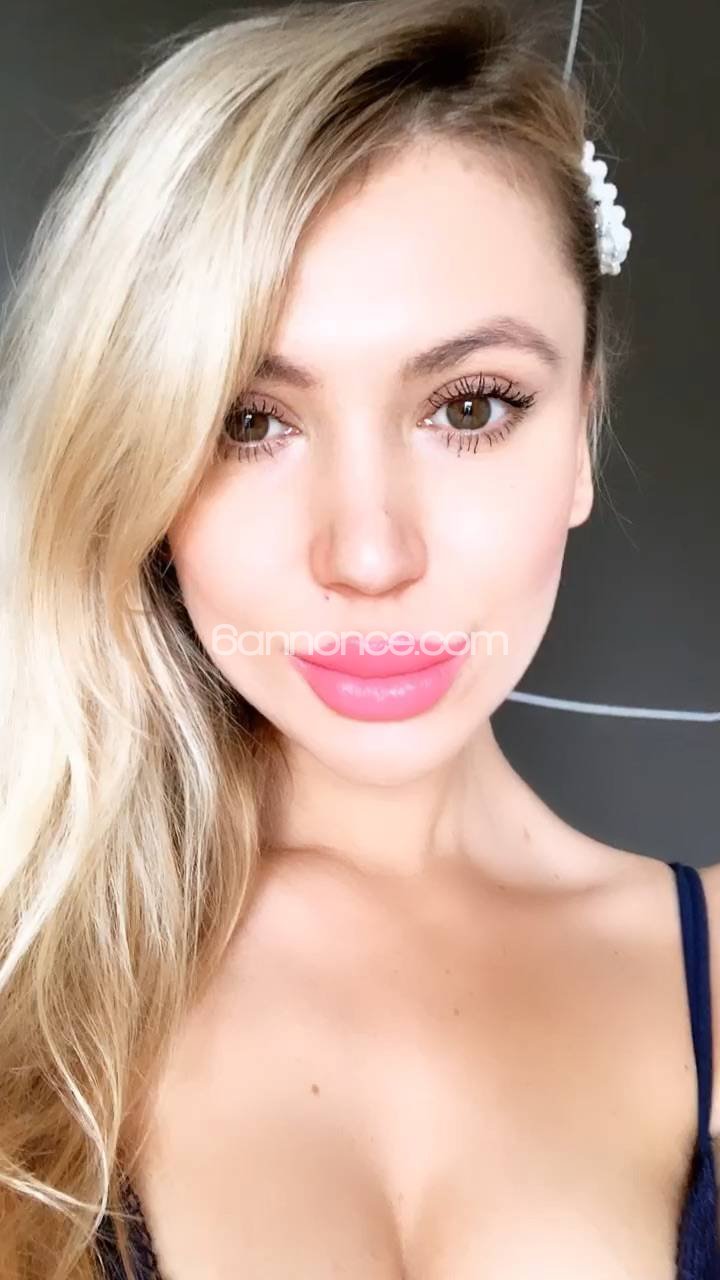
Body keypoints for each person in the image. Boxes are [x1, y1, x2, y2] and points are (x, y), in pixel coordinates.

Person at [0, 1, 717, 1277]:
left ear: (581, 434)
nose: (370, 554)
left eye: (471, 406)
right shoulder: (23, 985)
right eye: (250, 420)